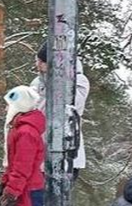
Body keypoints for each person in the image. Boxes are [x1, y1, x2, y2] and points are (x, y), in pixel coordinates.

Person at [31, 43, 90, 180]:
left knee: (60, 197)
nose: (38, 65)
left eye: (42, 61)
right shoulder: (37, 82)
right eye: (37, 61)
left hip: (66, 153)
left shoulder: (79, 81)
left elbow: (70, 104)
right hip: (39, 153)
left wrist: (53, 78)